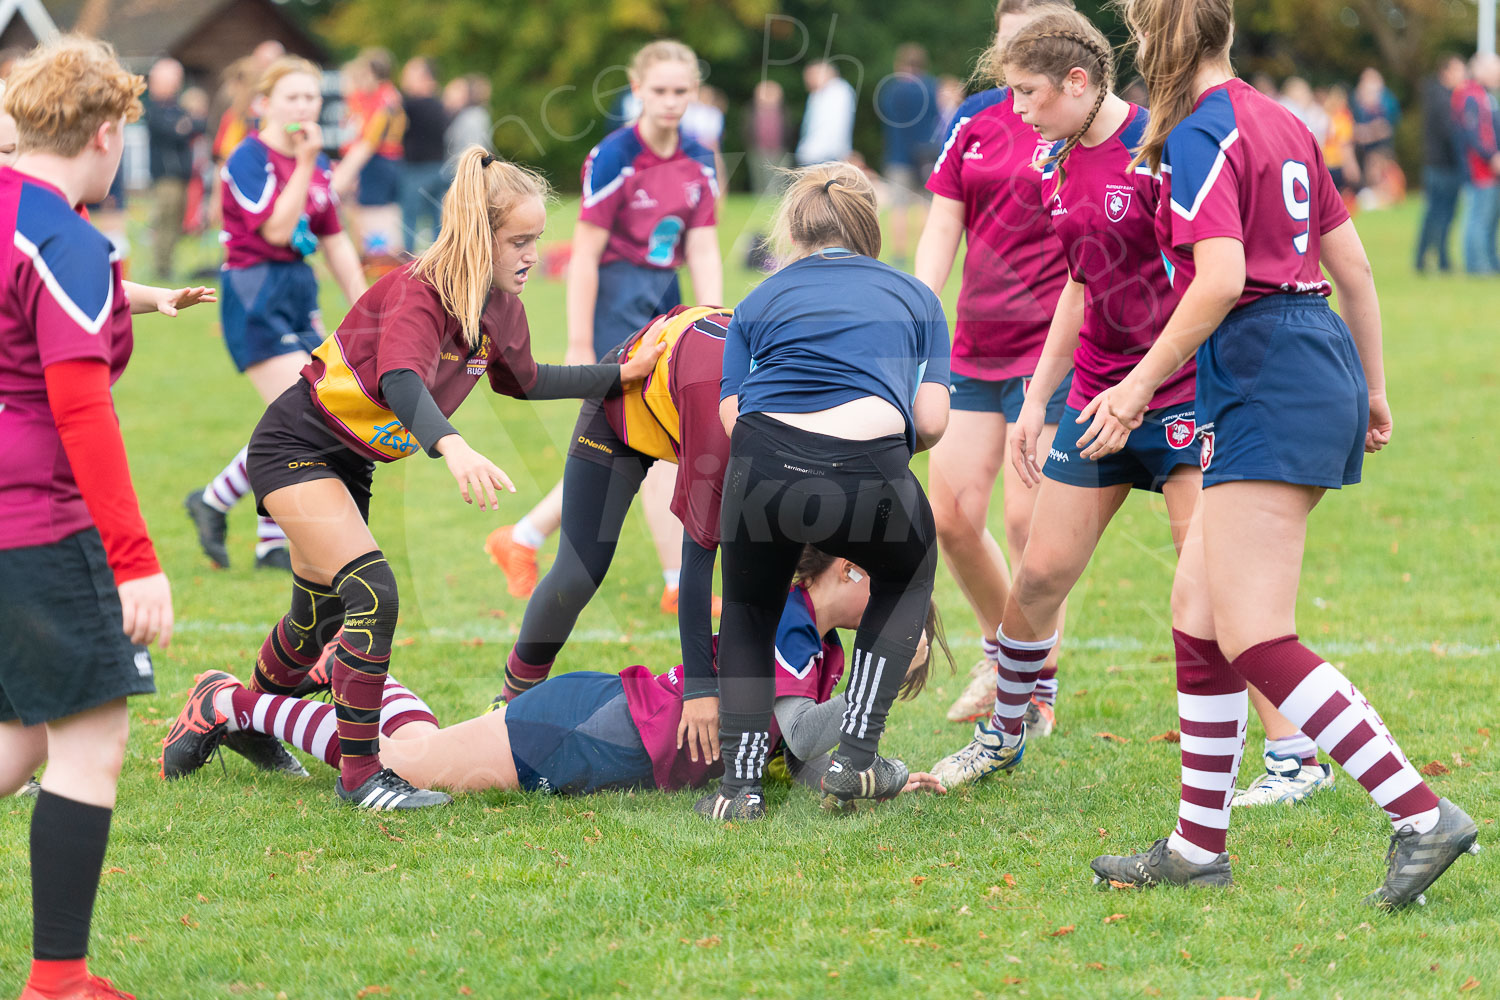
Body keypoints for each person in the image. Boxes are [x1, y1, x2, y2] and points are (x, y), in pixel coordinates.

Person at [1084, 0, 1477, 908]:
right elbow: (1357, 270)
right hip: (1312, 356)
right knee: (1197, 605)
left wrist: (1137, 384)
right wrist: (1373, 388)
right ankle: (1196, 844)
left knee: (1253, 630)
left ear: (1155, 41)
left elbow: (1221, 278)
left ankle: (1420, 814)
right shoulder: (1282, 120)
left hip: (1270, 367)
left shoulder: (1201, 133)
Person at [923, 8, 1327, 806]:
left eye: (1030, 93)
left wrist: (1142, 381)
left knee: (1221, 585)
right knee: (1037, 578)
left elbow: (1208, 275)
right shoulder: (1053, 159)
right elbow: (1079, 283)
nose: (1020, 110)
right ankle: (1002, 735)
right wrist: (1040, 398)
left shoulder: (1161, 149)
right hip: (1094, 397)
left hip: (1179, 394)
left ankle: (1294, 758)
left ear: (1079, 82)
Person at [212, 146, 666, 811]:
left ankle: (229, 714)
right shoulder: (418, 293)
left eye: (537, 239)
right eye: (519, 240)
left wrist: (616, 376)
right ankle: (362, 777)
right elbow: (400, 379)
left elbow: (528, 380)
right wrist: (453, 448)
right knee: (374, 592)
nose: (532, 254)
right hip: (294, 450)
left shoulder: (499, 305)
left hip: (347, 464)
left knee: (312, 622)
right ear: (479, 237)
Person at [163, 547, 949, 804]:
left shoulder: (820, 646)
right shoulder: (784, 617)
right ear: (847, 573)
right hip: (595, 730)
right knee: (402, 767)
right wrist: (875, 691)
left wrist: (889, 772)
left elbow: (815, 765)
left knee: (421, 746)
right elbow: (804, 732)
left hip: (606, 729)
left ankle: (346, 671)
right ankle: (226, 701)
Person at [0, 36, 173, 1000]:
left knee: (23, 735)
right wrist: (136, 560)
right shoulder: (64, 236)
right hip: (34, 519)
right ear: (107, 134)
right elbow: (79, 410)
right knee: (91, 740)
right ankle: (59, 980)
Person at [699, 162, 951, 821]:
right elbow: (931, 421)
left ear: (793, 230)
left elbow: (732, 419)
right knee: (908, 574)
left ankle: (739, 790)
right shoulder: (916, 296)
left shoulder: (756, 301)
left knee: (751, 609)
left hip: (762, 467)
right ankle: (857, 758)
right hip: (870, 471)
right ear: (868, 228)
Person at [486, 40, 723, 616]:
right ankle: (673, 580)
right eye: (659, 91)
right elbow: (585, 255)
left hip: (664, 312)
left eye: (681, 91)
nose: (670, 102)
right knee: (654, 440)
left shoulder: (701, 158)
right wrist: (577, 340)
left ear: (694, 93)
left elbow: (703, 245)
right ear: (637, 90)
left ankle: (521, 538)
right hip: (615, 313)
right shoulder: (615, 155)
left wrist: (716, 322)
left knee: (648, 441)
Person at [915, 0, 1076, 734]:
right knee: (949, 516)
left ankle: (1033, 685)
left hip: (1055, 353)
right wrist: (921, 312)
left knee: (1026, 521)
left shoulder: (1090, 122)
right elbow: (944, 217)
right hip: (973, 347)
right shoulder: (973, 119)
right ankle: (999, 650)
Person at [495, 307, 733, 772]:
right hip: (623, 406)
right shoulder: (718, 411)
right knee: (579, 573)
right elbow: (699, 558)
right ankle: (508, 700)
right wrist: (701, 689)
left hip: (680, 403)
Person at [183, 56, 366, 574]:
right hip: (253, 288)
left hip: (297, 288)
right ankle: (217, 501)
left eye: (311, 98)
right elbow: (277, 232)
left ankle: (266, 540)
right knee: (307, 409)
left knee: (304, 412)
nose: (304, 107)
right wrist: (305, 163)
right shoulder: (248, 157)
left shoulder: (320, 162)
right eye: (293, 97)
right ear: (264, 105)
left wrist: (365, 307)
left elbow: (334, 240)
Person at [332, 48, 407, 262]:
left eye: (363, 74)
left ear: (374, 74)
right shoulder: (375, 97)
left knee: (374, 210)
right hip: (375, 160)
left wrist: (345, 173)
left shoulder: (385, 99)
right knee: (370, 209)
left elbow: (369, 141)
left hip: (379, 161)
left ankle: (380, 259)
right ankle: (376, 256)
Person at [877, 43, 940, 267]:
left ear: (900, 64)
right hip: (927, 155)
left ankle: (900, 255)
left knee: (899, 207)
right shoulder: (933, 87)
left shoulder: (892, 90)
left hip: (898, 155)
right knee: (925, 205)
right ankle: (924, 250)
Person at [143, 57, 202, 280]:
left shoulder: (177, 107)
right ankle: (161, 269)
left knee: (176, 223)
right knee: (164, 221)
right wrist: (183, 126)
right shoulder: (153, 109)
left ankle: (167, 266)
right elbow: (174, 132)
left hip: (182, 176)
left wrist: (184, 125)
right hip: (165, 177)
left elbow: (197, 125)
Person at [1415, 54, 1467, 273]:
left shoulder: (1437, 95)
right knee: (1439, 216)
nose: (1462, 75)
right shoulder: (1443, 98)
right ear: (1446, 72)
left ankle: (1434, 259)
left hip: (1439, 166)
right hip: (1442, 167)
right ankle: (1432, 260)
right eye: (1458, 70)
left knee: (1438, 215)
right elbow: (1449, 133)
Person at [1453, 53, 1500, 275]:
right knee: (1478, 218)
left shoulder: (1485, 95)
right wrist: (1492, 156)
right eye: (1495, 68)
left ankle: (1490, 261)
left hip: (1489, 170)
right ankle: (1477, 265)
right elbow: (1475, 133)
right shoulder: (1471, 95)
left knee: (1489, 218)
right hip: (1479, 170)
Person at [399, 56, 449, 249]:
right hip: (439, 168)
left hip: (416, 170)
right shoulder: (440, 106)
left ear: (425, 78)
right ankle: (440, 263)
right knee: (437, 221)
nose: (405, 80)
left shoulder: (410, 106)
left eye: (410, 74)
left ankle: (405, 262)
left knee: (409, 220)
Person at [795, 61, 856, 166]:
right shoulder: (820, 94)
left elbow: (831, 127)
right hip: (820, 156)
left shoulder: (837, 92)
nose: (807, 81)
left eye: (810, 76)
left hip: (824, 157)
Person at [745, 79, 789, 195]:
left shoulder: (784, 111)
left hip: (780, 150)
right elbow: (746, 130)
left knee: (779, 180)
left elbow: (790, 130)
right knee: (760, 180)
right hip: (758, 150)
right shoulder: (751, 111)